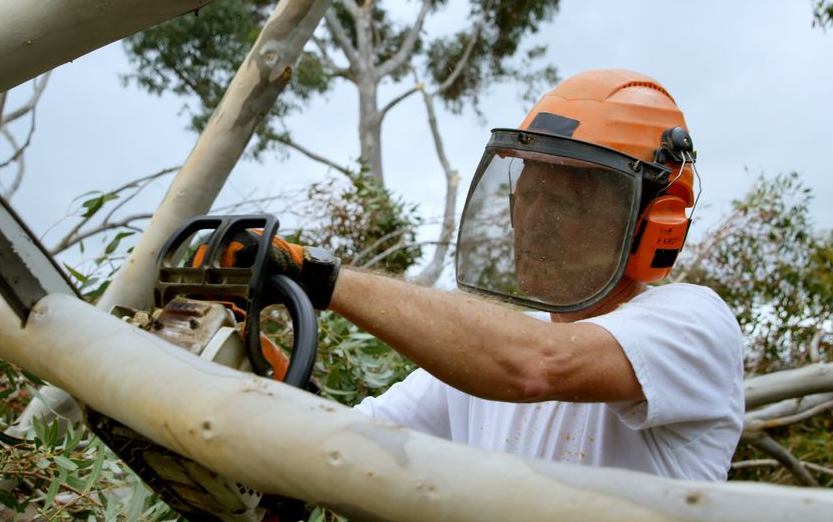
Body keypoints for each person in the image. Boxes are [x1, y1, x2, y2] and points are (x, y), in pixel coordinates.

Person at [257, 69, 744, 481]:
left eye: (562, 202)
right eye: (526, 196)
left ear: (654, 223)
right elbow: (352, 444)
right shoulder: (478, 357)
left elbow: (535, 365)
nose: (530, 224)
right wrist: (248, 384)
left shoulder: (694, 324)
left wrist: (316, 276)